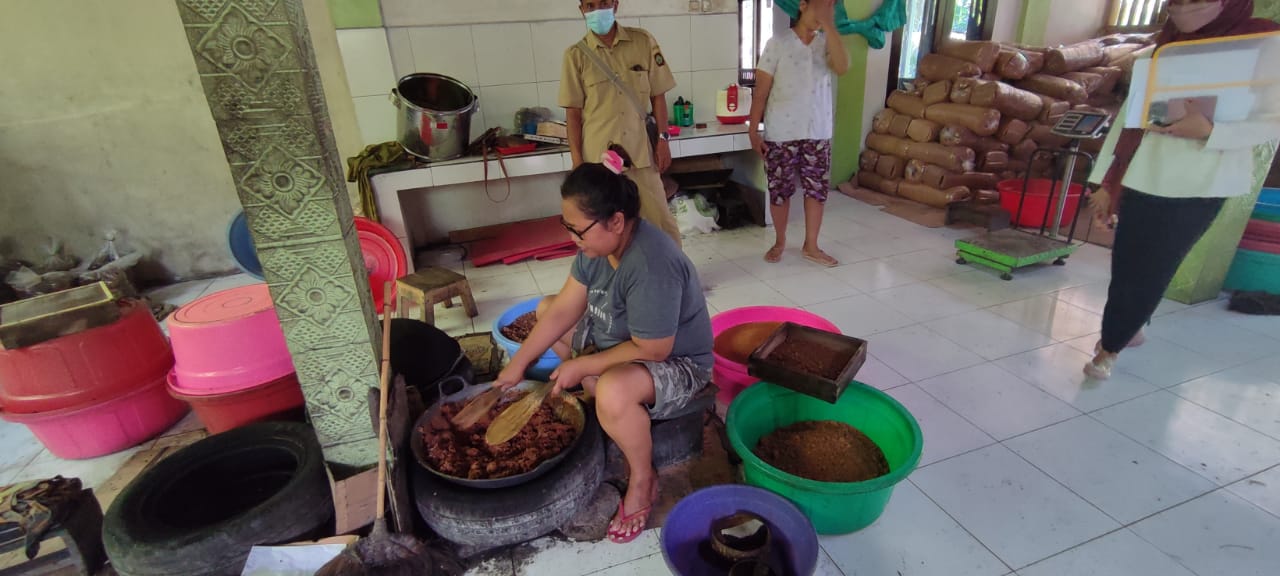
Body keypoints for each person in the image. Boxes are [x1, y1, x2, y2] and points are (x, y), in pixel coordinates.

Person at [492, 147, 713, 543]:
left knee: (608, 389)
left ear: (616, 221)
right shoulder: (597, 248)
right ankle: (602, 393)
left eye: (578, 229)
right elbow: (562, 311)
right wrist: (517, 366)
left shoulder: (650, 262)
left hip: (679, 361)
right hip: (622, 341)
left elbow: (656, 349)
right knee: (546, 309)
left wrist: (583, 367)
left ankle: (643, 480)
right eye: (567, 226)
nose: (572, 238)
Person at [1085, 0, 1280, 379]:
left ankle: (1110, 346)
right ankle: (1130, 326)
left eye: (1193, 3)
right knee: (1127, 265)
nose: (1181, 11)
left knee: (1156, 266)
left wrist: (1211, 131)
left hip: (1202, 181)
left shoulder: (1263, 44)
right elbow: (1131, 116)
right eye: (1174, 4)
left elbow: (1272, 120)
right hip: (1143, 172)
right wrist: (1105, 181)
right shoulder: (1166, 45)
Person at [560, 0, 683, 248]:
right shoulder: (575, 56)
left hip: (639, 154)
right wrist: (577, 163)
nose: (597, 10)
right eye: (590, 5)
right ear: (581, 9)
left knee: (660, 221)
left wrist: (663, 140)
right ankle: (615, 281)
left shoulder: (643, 41)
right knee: (603, 229)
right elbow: (573, 114)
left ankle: (676, 277)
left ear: (615, 4)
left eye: (604, 2)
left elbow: (658, 97)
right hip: (598, 160)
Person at [747, 0, 850, 267]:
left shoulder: (827, 42)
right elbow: (761, 92)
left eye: (831, 7)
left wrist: (829, 25)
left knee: (817, 190)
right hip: (781, 131)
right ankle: (780, 241)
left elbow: (842, 66)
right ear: (803, 5)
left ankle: (811, 245)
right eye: (821, 6)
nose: (826, 11)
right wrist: (753, 130)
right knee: (780, 191)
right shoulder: (777, 43)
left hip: (818, 131)